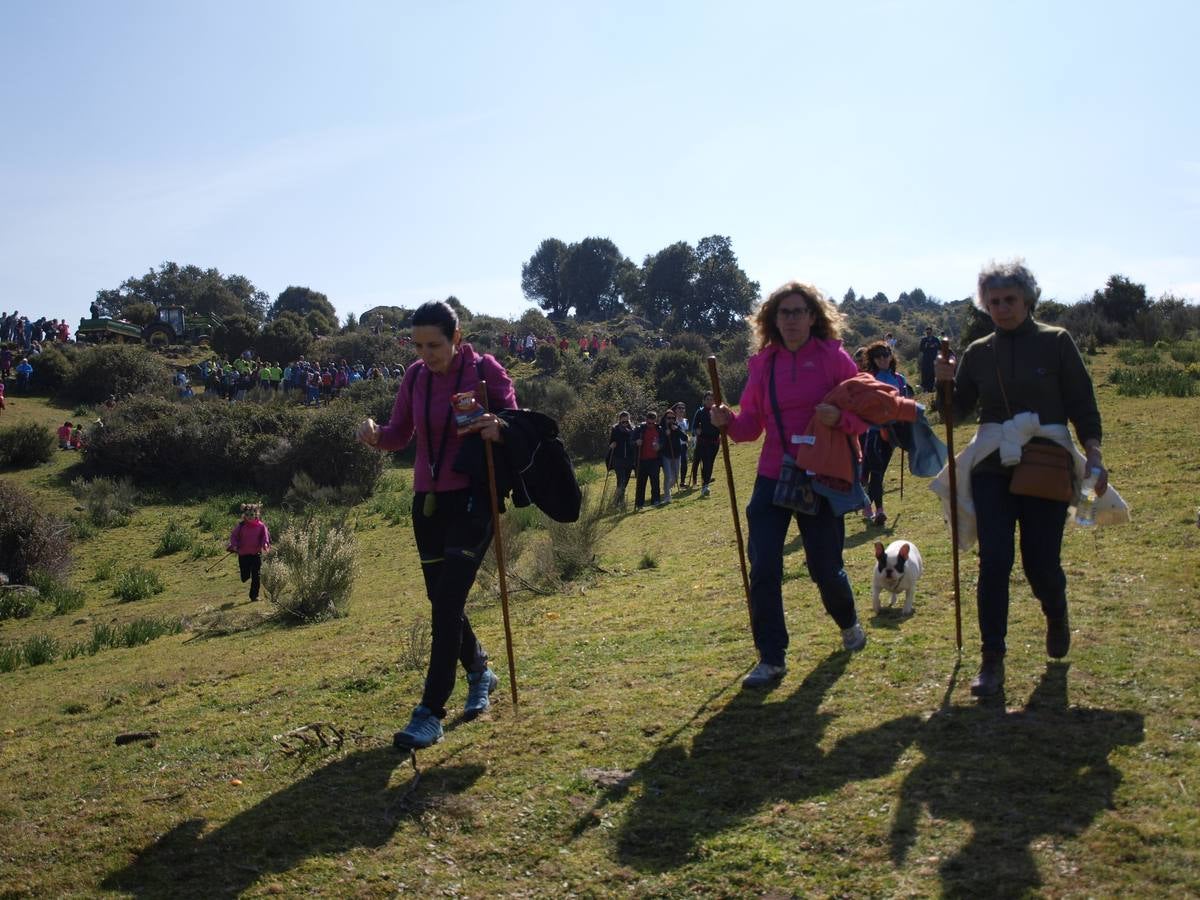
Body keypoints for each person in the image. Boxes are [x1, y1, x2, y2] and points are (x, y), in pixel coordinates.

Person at [935, 260, 1107, 698]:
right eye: (993, 302)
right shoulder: (978, 352)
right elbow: (956, 413)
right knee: (994, 560)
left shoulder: (1057, 342)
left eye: (1009, 299)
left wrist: (1094, 455)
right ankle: (991, 660)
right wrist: (944, 384)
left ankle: (1056, 608)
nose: (1001, 308)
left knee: (1039, 562)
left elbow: (1081, 402)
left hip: (1047, 464)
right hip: (993, 465)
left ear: (1027, 299)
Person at [356, 300, 515, 750]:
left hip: (474, 499)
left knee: (446, 602)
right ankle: (480, 670)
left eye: (435, 344)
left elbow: (515, 425)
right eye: (418, 345)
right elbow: (399, 433)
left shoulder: (485, 372)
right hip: (426, 502)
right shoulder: (415, 377)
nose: (426, 354)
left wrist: (497, 426)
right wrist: (374, 436)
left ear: (456, 337)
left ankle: (430, 712)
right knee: (440, 600)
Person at [710, 281, 871, 688]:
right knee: (764, 564)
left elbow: (864, 413)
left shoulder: (834, 360)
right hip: (773, 474)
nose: (792, 319)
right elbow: (749, 427)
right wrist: (727, 422)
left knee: (824, 567)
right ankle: (772, 657)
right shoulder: (764, 365)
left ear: (814, 316)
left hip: (821, 474)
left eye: (800, 311)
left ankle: (848, 622)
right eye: (785, 313)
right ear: (773, 320)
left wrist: (841, 421)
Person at [860, 341, 912, 527]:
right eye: (878, 356)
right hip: (873, 432)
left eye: (886, 354)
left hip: (892, 433)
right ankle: (878, 511)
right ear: (872, 359)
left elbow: (904, 401)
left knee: (879, 471)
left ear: (891, 356)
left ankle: (867, 505)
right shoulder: (868, 378)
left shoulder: (900, 379)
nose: (883, 359)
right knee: (876, 472)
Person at [227, 503, 271, 602]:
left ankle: (254, 596)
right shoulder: (241, 526)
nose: (249, 517)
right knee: (245, 576)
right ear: (244, 515)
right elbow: (233, 536)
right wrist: (235, 545)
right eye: (247, 515)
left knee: (256, 575)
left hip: (256, 554)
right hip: (243, 554)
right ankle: (245, 575)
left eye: (251, 514)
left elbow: (265, 536)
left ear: (256, 514)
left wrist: (265, 544)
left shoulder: (261, 526)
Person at [690, 392, 720, 496]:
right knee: (706, 462)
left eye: (711, 399)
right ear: (703, 401)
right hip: (703, 443)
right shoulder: (700, 412)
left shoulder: (718, 411)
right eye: (707, 399)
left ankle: (705, 483)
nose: (709, 401)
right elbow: (693, 427)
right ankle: (705, 486)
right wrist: (696, 431)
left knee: (710, 463)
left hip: (715, 443)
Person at [607, 411, 637, 510]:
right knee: (621, 481)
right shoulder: (615, 429)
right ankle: (619, 502)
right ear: (620, 420)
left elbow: (634, 442)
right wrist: (612, 445)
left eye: (627, 421)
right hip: (618, 459)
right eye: (623, 422)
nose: (625, 423)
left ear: (629, 419)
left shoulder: (633, 428)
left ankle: (617, 501)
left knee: (626, 481)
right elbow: (611, 441)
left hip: (629, 459)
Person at [633, 410, 662, 510]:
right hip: (642, 461)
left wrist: (660, 446)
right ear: (646, 420)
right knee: (641, 483)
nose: (651, 425)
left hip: (654, 460)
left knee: (655, 482)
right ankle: (639, 504)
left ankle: (656, 500)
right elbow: (631, 442)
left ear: (656, 420)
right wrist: (636, 442)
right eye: (649, 423)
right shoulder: (639, 429)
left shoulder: (659, 429)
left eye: (653, 423)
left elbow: (663, 442)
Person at [658, 408, 687, 504]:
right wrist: (665, 435)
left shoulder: (676, 426)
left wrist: (677, 430)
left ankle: (667, 488)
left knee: (675, 478)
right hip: (666, 455)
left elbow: (685, 438)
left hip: (677, 455)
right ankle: (667, 496)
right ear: (665, 418)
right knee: (668, 476)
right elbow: (660, 442)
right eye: (668, 418)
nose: (671, 420)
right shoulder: (661, 428)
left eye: (672, 418)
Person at [918, 326, 941, 393]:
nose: (928, 333)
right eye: (927, 332)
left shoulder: (936, 339)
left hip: (933, 359)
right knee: (925, 373)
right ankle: (925, 388)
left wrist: (934, 345)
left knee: (932, 373)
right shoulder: (924, 339)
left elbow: (940, 347)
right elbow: (921, 349)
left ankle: (931, 388)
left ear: (931, 332)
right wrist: (927, 346)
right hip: (926, 359)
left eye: (929, 332)